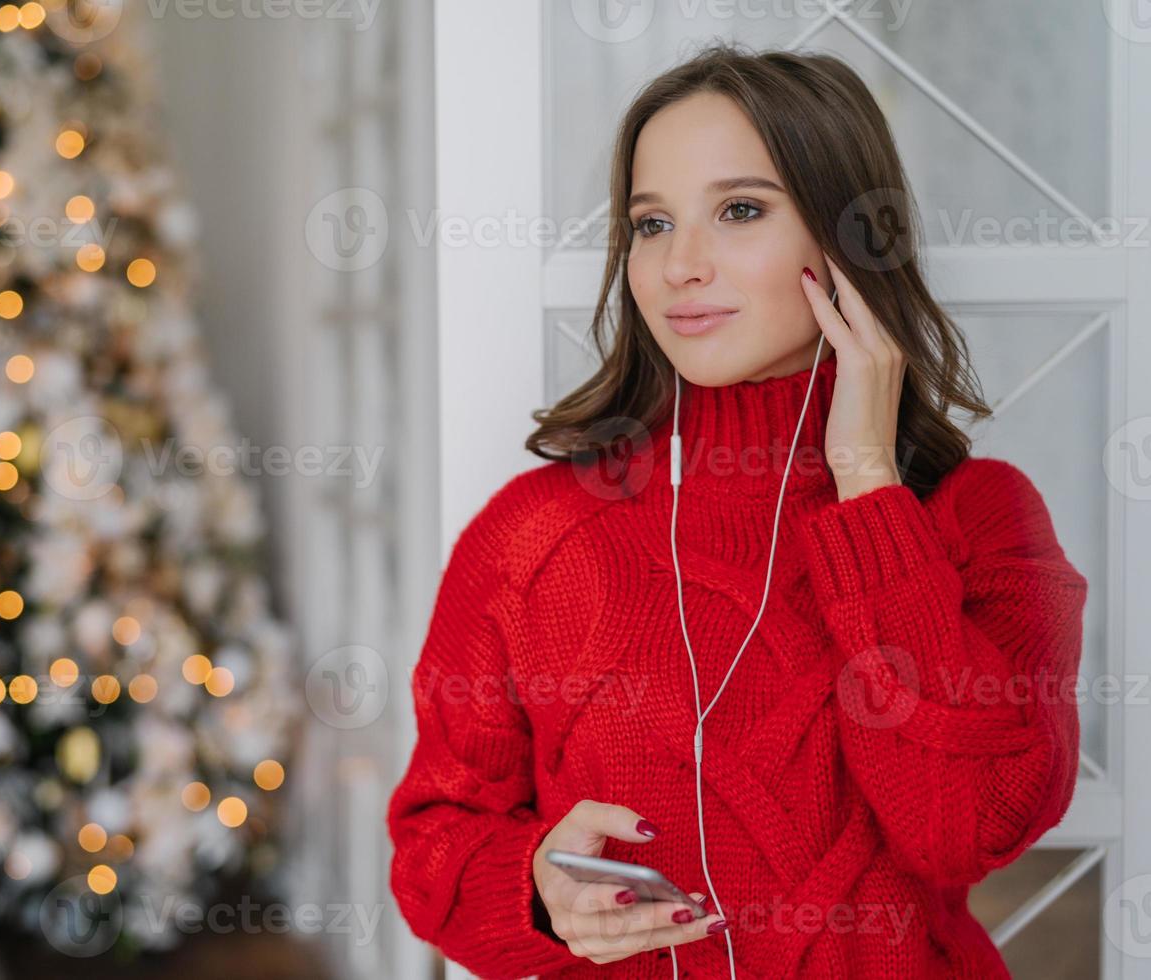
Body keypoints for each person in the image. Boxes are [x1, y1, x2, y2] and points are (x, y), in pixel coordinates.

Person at [386, 41, 1089, 978]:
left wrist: (866, 481)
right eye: (650, 223)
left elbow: (966, 828)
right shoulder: (534, 535)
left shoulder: (981, 519)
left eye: (740, 210)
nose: (681, 265)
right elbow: (432, 844)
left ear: (847, 241)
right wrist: (538, 893)